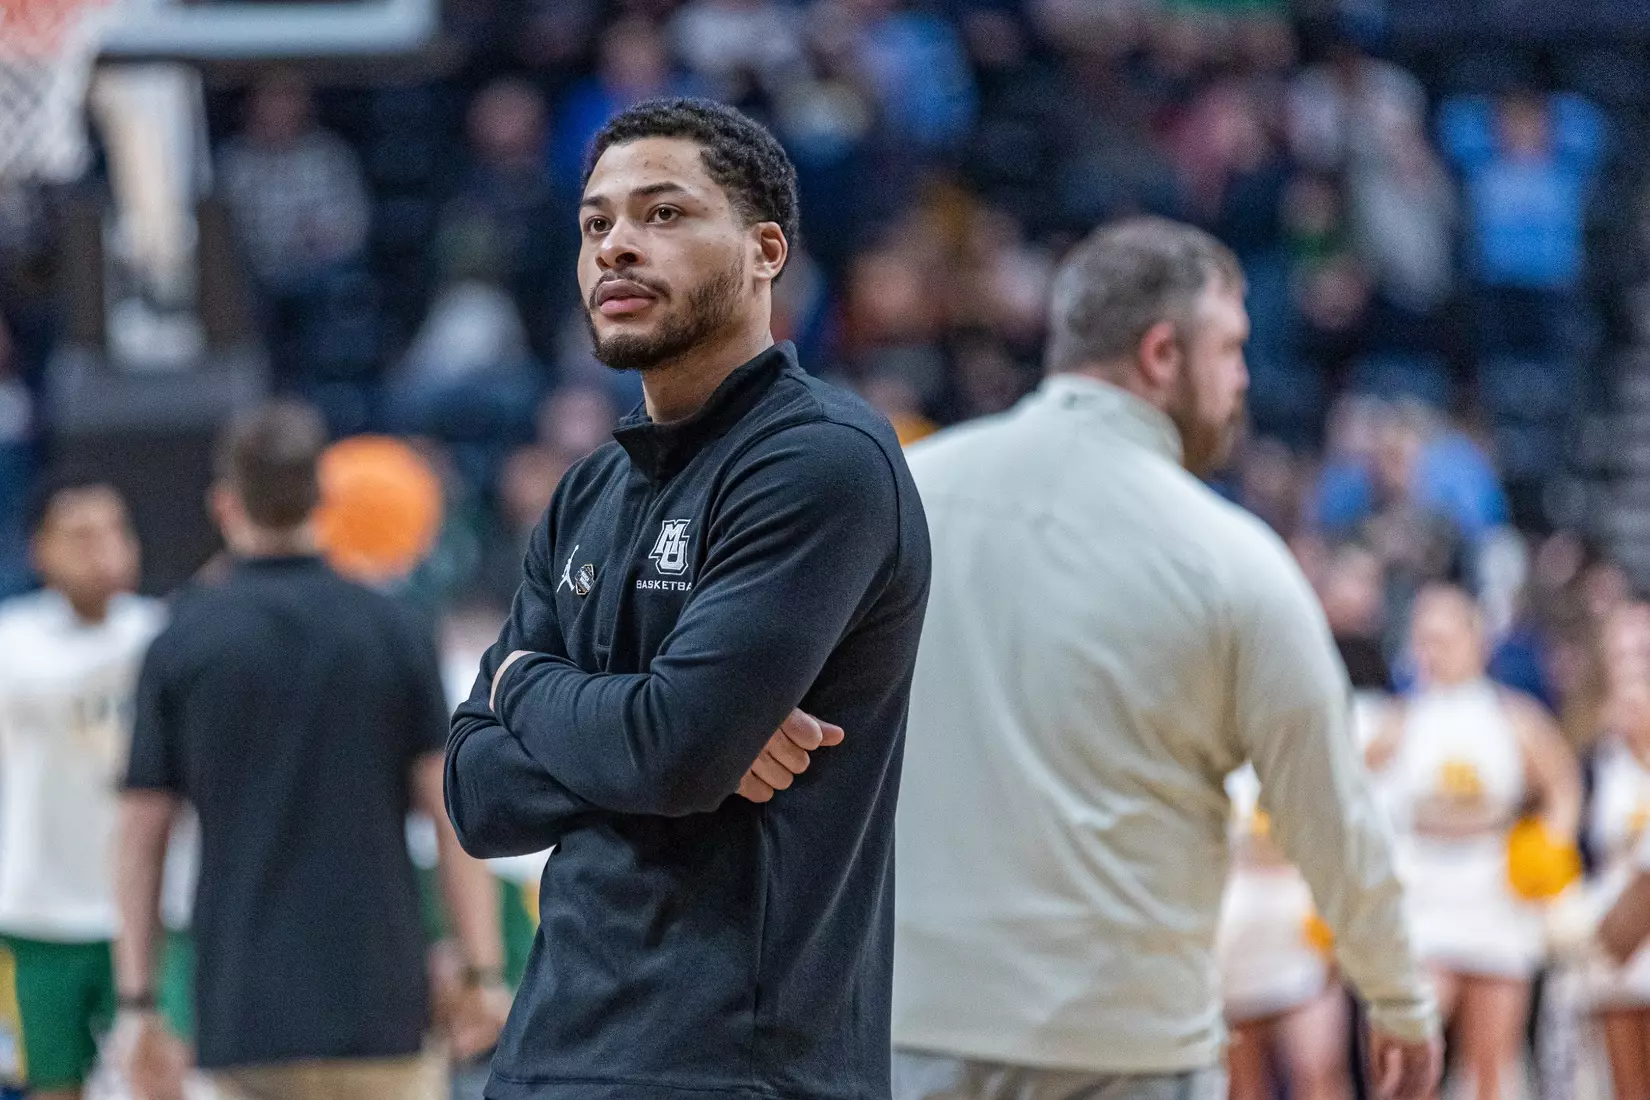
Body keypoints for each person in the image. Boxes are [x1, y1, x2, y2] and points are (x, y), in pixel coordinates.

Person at [444, 97, 931, 1100]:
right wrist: (666, 740)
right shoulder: (589, 487)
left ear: (764, 251)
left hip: (734, 1065)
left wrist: (528, 685)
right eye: (595, 224)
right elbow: (477, 792)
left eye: (663, 214)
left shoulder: (821, 460)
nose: (617, 245)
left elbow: (673, 746)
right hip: (543, 1054)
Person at [890, 216, 1440, 1100]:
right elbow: (1328, 816)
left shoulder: (903, 497)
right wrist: (1398, 995)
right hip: (1125, 1045)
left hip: (907, 1030)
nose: (1243, 380)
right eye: (1229, 350)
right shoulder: (1232, 557)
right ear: (1160, 354)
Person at [113, 400, 506, 1100]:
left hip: (240, 1012)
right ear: (323, 499)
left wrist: (139, 1006)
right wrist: (479, 971)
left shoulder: (181, 639)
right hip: (383, 1003)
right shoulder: (395, 629)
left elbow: (141, 839)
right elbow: (451, 815)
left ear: (224, 504)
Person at [1366, 584, 1582, 1100]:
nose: (1433, 649)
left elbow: (1564, 783)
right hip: (1423, 890)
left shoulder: (1516, 717)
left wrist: (1548, 846)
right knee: (1406, 1062)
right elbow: (1352, 795)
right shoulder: (1397, 720)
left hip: (1494, 889)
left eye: (1445, 637)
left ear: (1476, 639)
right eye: (1424, 638)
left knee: (1493, 1066)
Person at [0, 473, 163, 1100]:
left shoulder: (159, 630)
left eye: (115, 530)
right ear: (41, 549)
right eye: (81, 534)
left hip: (151, 914)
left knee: (165, 1081)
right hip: (37, 917)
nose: (103, 548)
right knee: (51, 1087)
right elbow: (54, 685)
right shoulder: (15, 640)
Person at [1218, 764, 1351, 1100]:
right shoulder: (1218, 764)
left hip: (1302, 932)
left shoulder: (1306, 755)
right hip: (1236, 943)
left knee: (1317, 1066)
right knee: (1244, 1083)